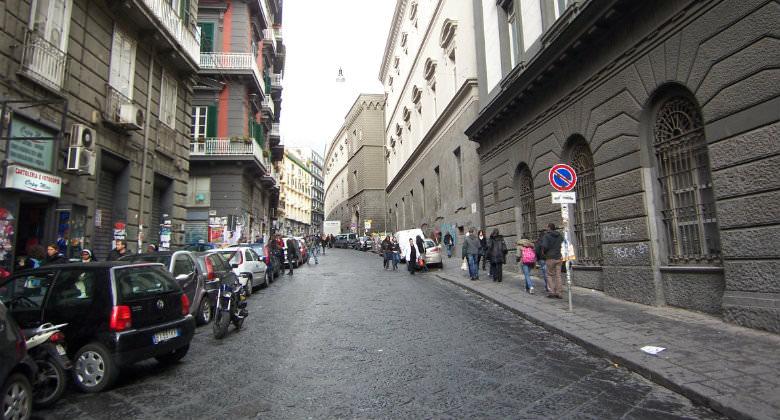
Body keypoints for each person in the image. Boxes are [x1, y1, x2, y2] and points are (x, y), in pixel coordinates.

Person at [541, 223, 564, 299]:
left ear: (549, 228)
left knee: (550, 275)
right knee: (558, 275)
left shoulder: (546, 236)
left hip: (550, 257)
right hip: (559, 257)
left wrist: (543, 253)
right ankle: (559, 292)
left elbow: (544, 246)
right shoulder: (560, 235)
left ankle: (552, 292)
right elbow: (563, 244)